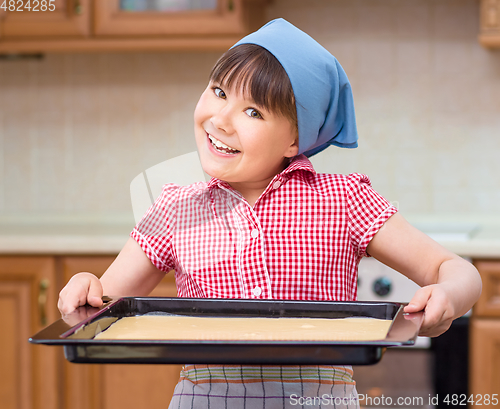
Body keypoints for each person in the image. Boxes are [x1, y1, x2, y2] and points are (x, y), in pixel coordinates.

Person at [58, 18, 482, 409]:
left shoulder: (345, 199)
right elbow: (103, 307)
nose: (221, 119)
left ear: (295, 138)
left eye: (253, 111)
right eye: (219, 92)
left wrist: (449, 294)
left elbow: (457, 270)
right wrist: (84, 287)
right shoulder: (174, 207)